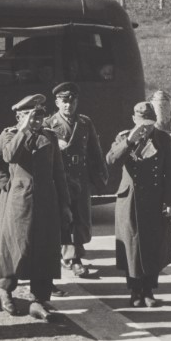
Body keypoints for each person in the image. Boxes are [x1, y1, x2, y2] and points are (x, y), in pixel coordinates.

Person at [0, 94, 71, 321]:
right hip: (19, 203)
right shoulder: (9, 135)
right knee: (16, 248)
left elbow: (58, 173)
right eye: (29, 116)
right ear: (19, 117)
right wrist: (8, 185)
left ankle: (39, 300)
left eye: (39, 116)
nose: (35, 121)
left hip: (46, 203)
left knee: (44, 250)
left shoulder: (49, 137)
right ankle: (5, 290)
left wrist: (64, 205)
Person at [106, 102, 171, 307]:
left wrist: (169, 201)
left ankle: (149, 290)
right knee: (132, 245)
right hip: (130, 200)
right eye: (141, 123)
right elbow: (111, 161)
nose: (145, 128)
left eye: (149, 123)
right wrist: (130, 140)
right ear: (133, 120)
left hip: (155, 198)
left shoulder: (163, 139)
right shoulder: (124, 137)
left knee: (152, 243)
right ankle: (134, 290)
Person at [43, 82, 107, 278]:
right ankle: (72, 258)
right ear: (57, 102)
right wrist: (54, 144)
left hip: (81, 176)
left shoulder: (85, 122)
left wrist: (101, 176)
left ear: (77, 102)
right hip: (61, 177)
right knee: (65, 217)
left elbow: (95, 150)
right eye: (64, 102)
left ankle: (73, 254)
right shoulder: (49, 123)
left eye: (71, 102)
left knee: (81, 217)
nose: (68, 106)